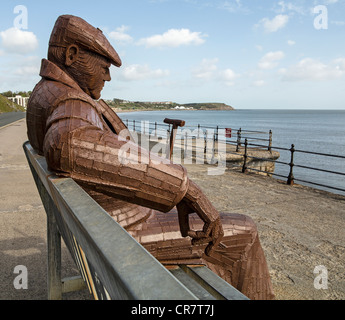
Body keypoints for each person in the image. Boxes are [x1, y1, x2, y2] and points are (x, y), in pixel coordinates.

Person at [26, 15, 275, 300]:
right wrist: (185, 188)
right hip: (123, 234)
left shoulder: (47, 92)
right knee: (244, 232)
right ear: (72, 55)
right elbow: (66, 144)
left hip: (103, 225)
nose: (108, 77)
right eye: (105, 67)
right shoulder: (68, 100)